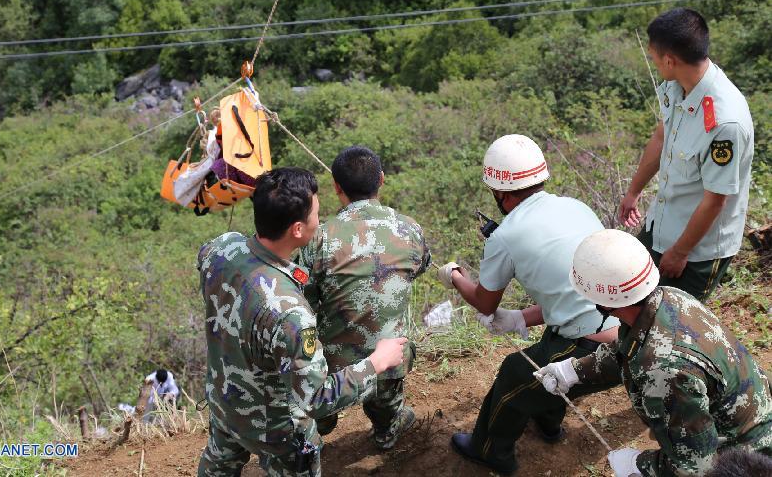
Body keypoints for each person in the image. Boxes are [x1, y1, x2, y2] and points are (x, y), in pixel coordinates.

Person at [196, 167, 408, 477]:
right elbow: (317, 398)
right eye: (316, 215)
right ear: (297, 229)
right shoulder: (290, 314)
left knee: (218, 467)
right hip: (275, 428)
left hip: (224, 401)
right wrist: (376, 362)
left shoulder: (221, 248)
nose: (319, 221)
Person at [441, 134, 621, 475]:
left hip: (597, 352)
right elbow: (575, 294)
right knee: (549, 347)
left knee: (513, 375)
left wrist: (454, 276)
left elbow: (484, 302)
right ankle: (549, 423)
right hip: (627, 331)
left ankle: (490, 450)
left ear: (499, 191)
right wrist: (521, 318)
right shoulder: (576, 207)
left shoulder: (505, 236)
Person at [536, 229, 772, 477]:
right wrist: (575, 370)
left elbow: (694, 467)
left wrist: (641, 465)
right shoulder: (668, 298)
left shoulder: (665, 370)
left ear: (603, 301)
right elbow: (632, 346)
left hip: (745, 459)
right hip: (749, 419)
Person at [300, 146, 431, 449]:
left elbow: (304, 300)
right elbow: (419, 267)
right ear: (382, 179)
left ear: (336, 188)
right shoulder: (410, 228)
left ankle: (323, 418)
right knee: (388, 405)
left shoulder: (319, 237)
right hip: (390, 359)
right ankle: (386, 429)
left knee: (317, 397)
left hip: (331, 368)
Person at [619, 8, 754, 301]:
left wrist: (680, 252)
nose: (654, 63)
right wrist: (633, 192)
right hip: (661, 225)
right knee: (629, 303)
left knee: (673, 329)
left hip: (698, 250)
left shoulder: (724, 123)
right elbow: (661, 135)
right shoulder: (676, 84)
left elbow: (715, 199)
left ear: (670, 60)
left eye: (654, 57)